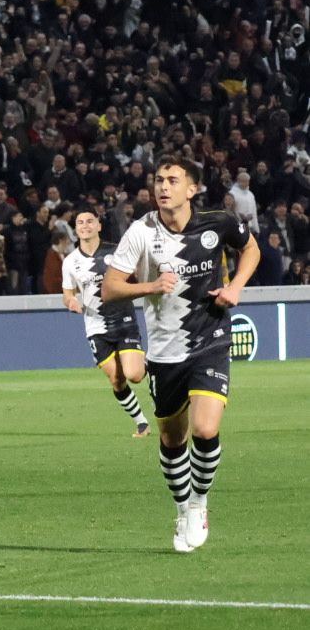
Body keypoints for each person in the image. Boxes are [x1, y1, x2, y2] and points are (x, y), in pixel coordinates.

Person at [103, 156, 259, 553]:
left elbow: (251, 249)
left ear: (192, 189)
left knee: (206, 429)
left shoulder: (218, 222)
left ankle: (199, 504)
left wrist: (236, 286)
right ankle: (181, 506)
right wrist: (150, 286)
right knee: (173, 440)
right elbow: (110, 289)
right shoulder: (141, 232)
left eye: (173, 180)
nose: (163, 186)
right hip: (165, 351)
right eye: (158, 180)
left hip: (211, 338)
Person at [61, 209, 150, 438]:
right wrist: (71, 302)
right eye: (80, 222)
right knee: (116, 380)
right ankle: (142, 423)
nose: (85, 225)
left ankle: (153, 363)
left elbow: (137, 277)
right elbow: (68, 293)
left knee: (135, 375)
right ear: (76, 229)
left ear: (99, 226)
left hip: (123, 318)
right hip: (95, 326)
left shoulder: (117, 252)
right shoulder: (70, 262)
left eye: (90, 221)